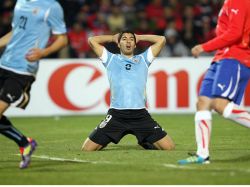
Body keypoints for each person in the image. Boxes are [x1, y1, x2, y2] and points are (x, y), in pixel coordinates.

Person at [178, 0, 250, 164]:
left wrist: (205, 46)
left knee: (219, 104)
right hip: (221, 58)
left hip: (235, 58)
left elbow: (235, 33)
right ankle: (202, 155)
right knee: (203, 102)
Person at [0, 0, 68, 169]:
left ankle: (24, 143)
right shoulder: (20, 2)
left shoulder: (51, 6)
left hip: (22, 69)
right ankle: (25, 143)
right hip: (3, 64)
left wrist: (43, 52)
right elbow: (15, 32)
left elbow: (62, 39)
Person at [82, 30, 175, 151]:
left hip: (140, 115)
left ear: (135, 44)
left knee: (169, 148)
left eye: (131, 39)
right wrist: (112, 37)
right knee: (87, 149)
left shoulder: (143, 59)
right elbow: (92, 40)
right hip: (116, 115)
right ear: (119, 43)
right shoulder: (110, 59)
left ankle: (145, 141)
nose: (128, 41)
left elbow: (161, 39)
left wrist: (140, 37)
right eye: (124, 39)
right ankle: (107, 139)